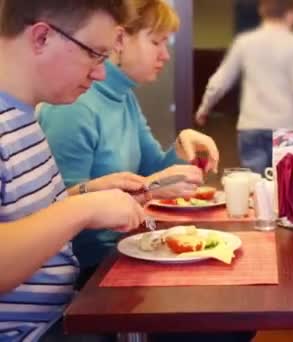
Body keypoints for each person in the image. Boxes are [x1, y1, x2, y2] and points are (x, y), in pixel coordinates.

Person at [39, 0, 220, 285]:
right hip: (90, 269)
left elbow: (152, 173)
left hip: (125, 246)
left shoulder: (124, 98)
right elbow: (59, 212)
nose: (165, 55)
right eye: (156, 42)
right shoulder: (74, 104)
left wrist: (181, 148)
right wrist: (150, 189)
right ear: (120, 40)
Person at [0, 0, 146, 340]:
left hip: (65, 313)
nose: (100, 73)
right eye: (94, 53)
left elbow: (20, 217)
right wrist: (82, 209)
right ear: (41, 38)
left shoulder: (23, 115)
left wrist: (86, 192)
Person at [195, 0, 293, 175]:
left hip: (251, 125)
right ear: (292, 13)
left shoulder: (245, 42)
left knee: (256, 188)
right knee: (288, 187)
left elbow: (220, 81)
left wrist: (204, 108)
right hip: (287, 125)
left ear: (262, 11)